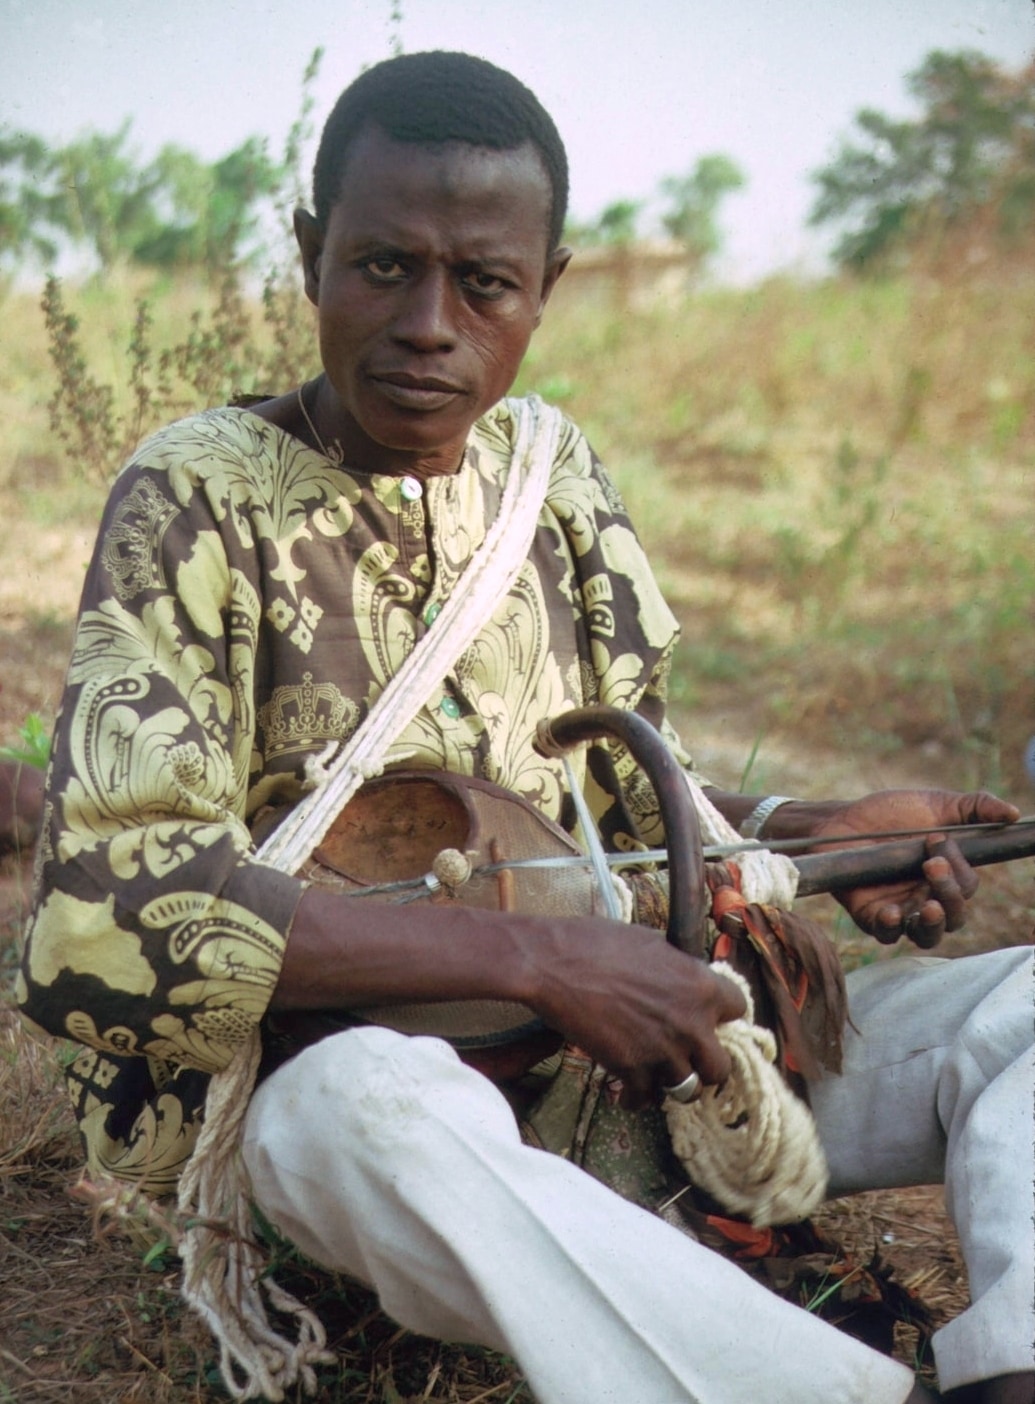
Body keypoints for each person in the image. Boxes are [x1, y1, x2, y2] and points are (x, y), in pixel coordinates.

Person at [16, 51, 1033, 1404]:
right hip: (355, 1114)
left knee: (1023, 1004)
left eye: (485, 283)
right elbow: (106, 912)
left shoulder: (553, 483)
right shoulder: (196, 502)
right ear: (313, 257)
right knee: (363, 1109)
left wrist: (805, 834)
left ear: (544, 291)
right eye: (384, 266)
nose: (430, 323)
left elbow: (625, 827)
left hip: (626, 1078)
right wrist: (538, 964)